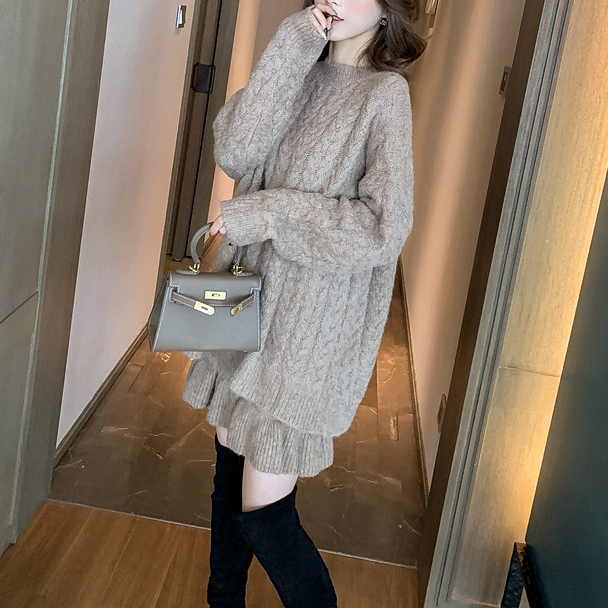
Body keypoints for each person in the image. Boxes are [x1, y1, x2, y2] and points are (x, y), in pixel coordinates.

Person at [181, 1, 426, 606]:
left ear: (389, 9)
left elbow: (381, 228)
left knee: (265, 512)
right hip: (240, 303)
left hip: (304, 331)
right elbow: (235, 152)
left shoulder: (384, 96)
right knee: (227, 478)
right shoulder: (297, 63)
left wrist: (267, 213)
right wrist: (290, 48)